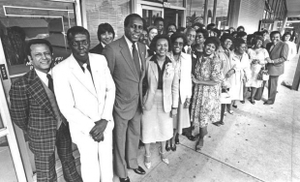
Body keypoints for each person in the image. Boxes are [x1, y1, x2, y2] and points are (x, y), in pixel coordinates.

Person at [10, 39, 82, 182]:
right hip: (41, 135)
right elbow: (19, 117)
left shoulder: (61, 76)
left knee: (69, 162)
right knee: (46, 174)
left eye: (46, 53)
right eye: (38, 55)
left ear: (52, 54)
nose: (44, 57)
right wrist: (34, 130)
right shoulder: (22, 84)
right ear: (30, 58)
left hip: (63, 127)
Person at [52, 26, 115, 182]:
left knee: (107, 162)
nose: (81, 47)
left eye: (84, 42)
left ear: (89, 41)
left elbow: (110, 89)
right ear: (70, 43)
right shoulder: (60, 70)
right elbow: (66, 107)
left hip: (105, 124)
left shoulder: (100, 60)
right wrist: (93, 128)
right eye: (76, 43)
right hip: (84, 130)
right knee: (90, 166)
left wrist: (105, 119)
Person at [102, 13, 147, 182]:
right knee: (119, 139)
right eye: (133, 26)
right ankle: (122, 172)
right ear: (125, 27)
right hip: (120, 103)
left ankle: (133, 162)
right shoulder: (112, 49)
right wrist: (111, 104)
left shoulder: (142, 47)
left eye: (140, 27)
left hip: (137, 102)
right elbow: (107, 81)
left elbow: (140, 77)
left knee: (135, 134)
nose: (137, 30)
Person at [141, 34, 179, 169]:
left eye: (165, 45)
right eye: (159, 45)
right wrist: (141, 99)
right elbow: (141, 82)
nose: (162, 48)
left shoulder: (173, 62)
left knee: (165, 126)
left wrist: (175, 106)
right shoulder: (148, 61)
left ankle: (163, 152)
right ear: (154, 47)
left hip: (166, 100)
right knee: (147, 126)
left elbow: (175, 85)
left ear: (168, 47)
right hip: (150, 99)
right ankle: (147, 154)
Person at [190, 37, 223, 151]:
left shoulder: (215, 60)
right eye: (208, 45)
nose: (209, 48)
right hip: (199, 90)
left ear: (215, 49)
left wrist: (198, 81)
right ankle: (201, 133)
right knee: (199, 115)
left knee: (203, 116)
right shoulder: (201, 57)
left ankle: (202, 138)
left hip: (208, 92)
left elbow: (216, 81)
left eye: (213, 47)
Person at [167, 33, 192, 150]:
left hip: (182, 92)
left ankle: (174, 138)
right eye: (175, 43)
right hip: (168, 92)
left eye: (180, 44)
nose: (178, 46)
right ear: (171, 43)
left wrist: (188, 96)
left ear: (183, 45)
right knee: (168, 118)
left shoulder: (187, 58)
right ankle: (168, 138)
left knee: (178, 119)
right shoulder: (166, 56)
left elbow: (188, 79)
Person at [214, 34, 234, 126]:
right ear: (222, 41)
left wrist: (233, 70)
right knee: (218, 100)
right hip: (220, 81)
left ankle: (221, 118)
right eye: (226, 41)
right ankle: (216, 119)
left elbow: (234, 64)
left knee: (224, 100)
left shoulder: (229, 51)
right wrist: (223, 81)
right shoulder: (218, 52)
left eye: (230, 41)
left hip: (227, 80)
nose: (228, 43)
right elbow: (217, 68)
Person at [264, 31, 288, 105]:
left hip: (276, 67)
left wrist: (273, 61)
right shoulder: (268, 44)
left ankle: (271, 100)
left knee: (272, 84)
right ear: (270, 37)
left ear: (280, 37)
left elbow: (284, 58)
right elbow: (266, 54)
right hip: (266, 65)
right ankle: (257, 96)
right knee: (262, 80)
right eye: (273, 37)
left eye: (277, 37)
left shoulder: (284, 45)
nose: (274, 39)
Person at [246, 36, 270, 104]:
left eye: (260, 41)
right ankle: (242, 97)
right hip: (250, 69)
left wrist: (260, 62)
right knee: (247, 83)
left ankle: (252, 98)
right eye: (257, 41)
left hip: (259, 70)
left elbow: (267, 60)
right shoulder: (249, 50)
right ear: (254, 42)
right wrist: (251, 61)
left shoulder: (264, 50)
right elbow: (245, 59)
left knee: (255, 84)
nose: (259, 42)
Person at [228, 38, 251, 108]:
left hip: (241, 75)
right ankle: (228, 107)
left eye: (245, 47)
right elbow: (229, 66)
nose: (244, 49)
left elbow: (247, 66)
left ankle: (233, 103)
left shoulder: (245, 55)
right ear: (237, 47)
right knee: (230, 91)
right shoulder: (230, 55)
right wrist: (236, 69)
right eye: (242, 47)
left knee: (238, 91)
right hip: (232, 76)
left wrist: (247, 76)